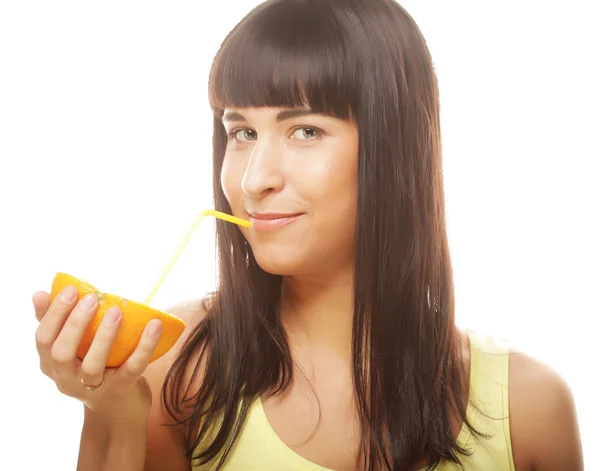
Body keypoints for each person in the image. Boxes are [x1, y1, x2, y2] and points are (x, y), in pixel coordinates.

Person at [33, 0, 584, 470]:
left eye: (305, 130)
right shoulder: (177, 365)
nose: (253, 180)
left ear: (396, 152)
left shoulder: (531, 411)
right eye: (242, 131)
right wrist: (110, 414)